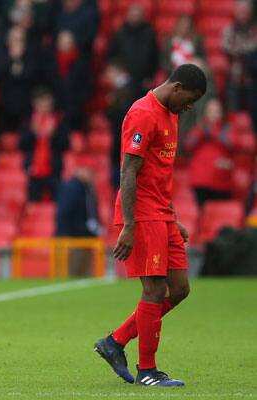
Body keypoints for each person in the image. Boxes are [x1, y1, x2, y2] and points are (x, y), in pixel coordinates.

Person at [94, 64, 207, 386]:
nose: (190, 106)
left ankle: (115, 342)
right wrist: (128, 225)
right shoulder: (143, 113)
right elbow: (128, 172)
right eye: (190, 98)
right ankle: (148, 371)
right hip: (141, 213)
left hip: (161, 212)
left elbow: (158, 172)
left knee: (180, 289)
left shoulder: (171, 115)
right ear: (177, 87)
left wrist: (172, 216)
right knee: (155, 289)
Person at [185, 98, 235, 207]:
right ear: (205, 113)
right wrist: (201, 131)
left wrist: (214, 132)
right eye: (210, 111)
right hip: (200, 180)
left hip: (221, 180)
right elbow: (188, 145)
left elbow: (234, 144)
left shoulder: (227, 128)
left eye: (217, 111)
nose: (213, 114)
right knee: (201, 214)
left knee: (218, 215)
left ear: (222, 113)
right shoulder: (200, 128)